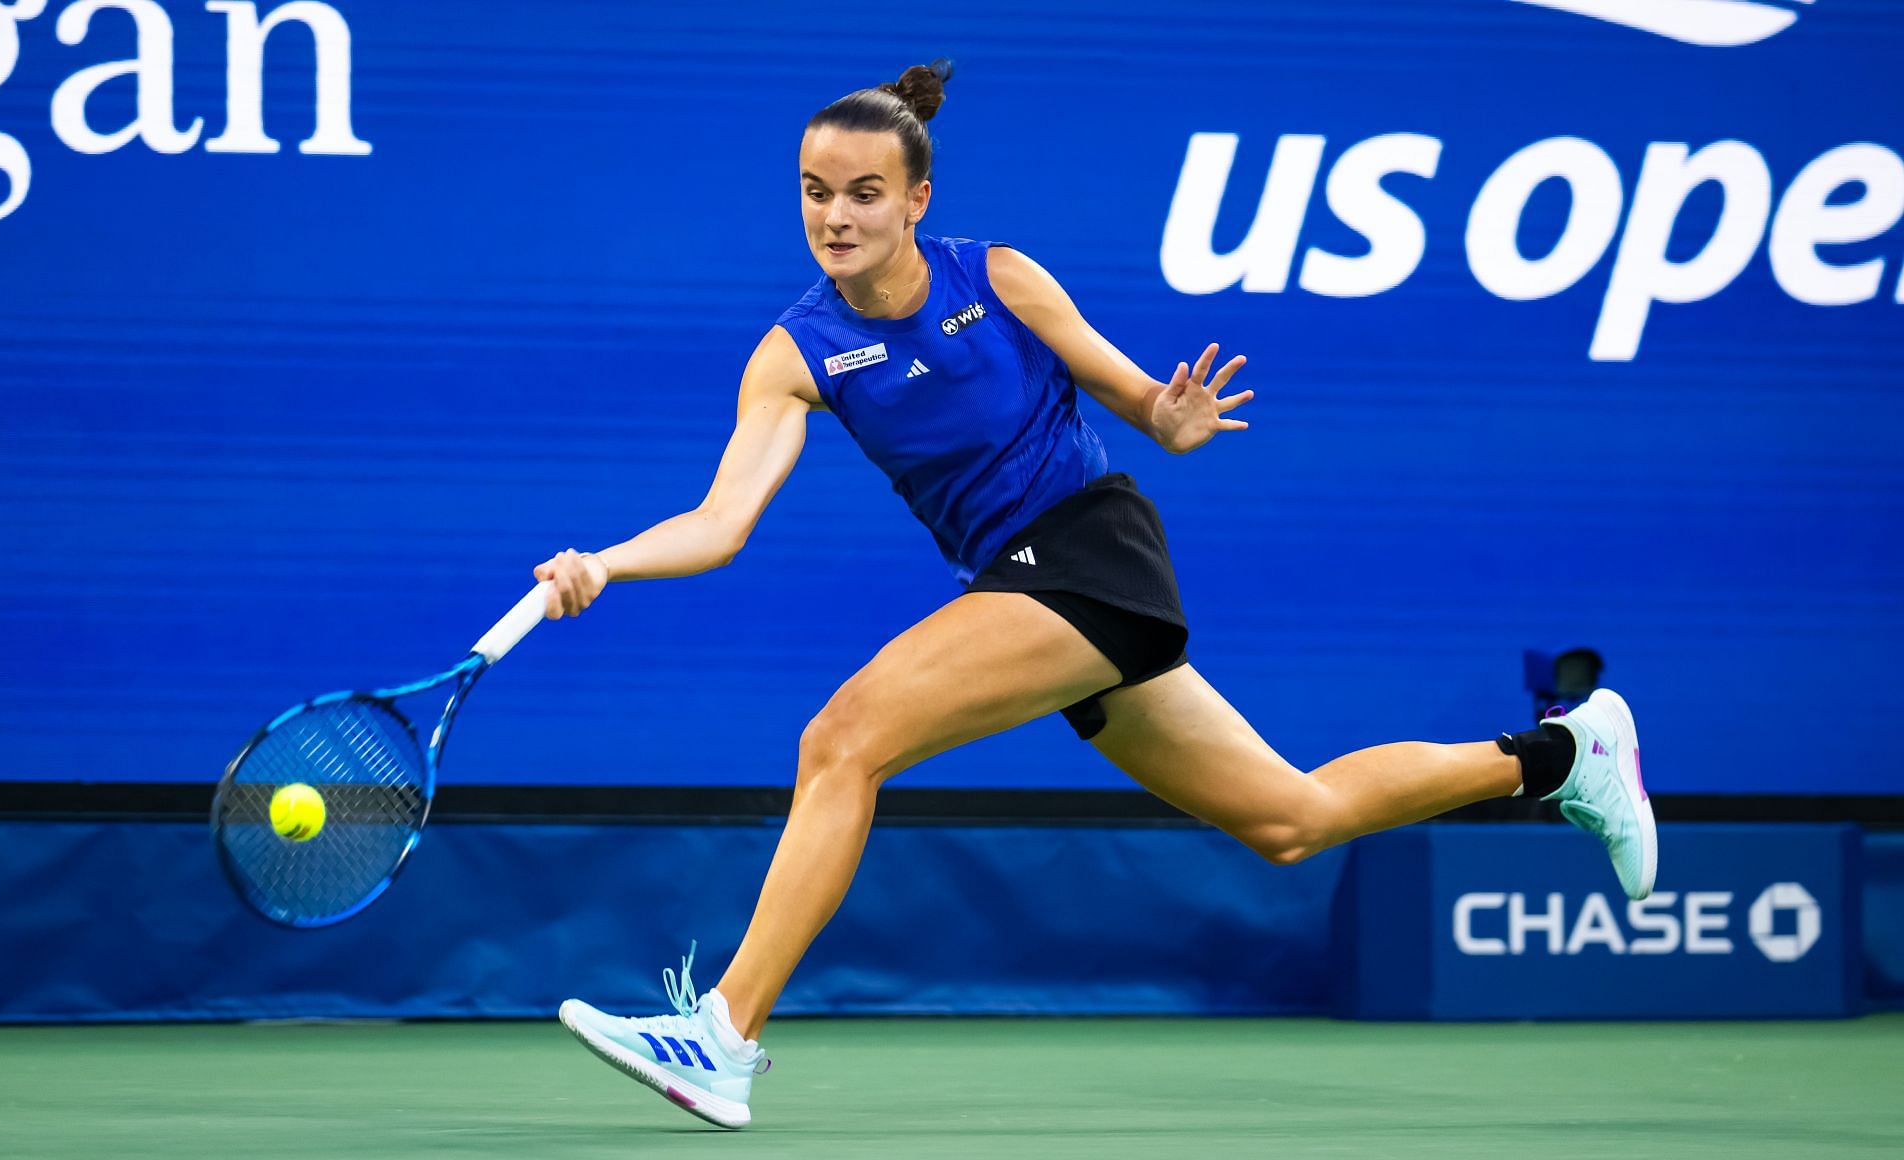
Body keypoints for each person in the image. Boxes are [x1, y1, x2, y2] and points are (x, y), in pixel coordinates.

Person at [543, 60, 1655, 1130]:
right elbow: (721, 521)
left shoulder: (999, 279)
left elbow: (1132, 394)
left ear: (916, 199)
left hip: (1090, 550)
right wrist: (607, 560)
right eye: (816, 192)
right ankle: (1566, 754)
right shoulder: (797, 352)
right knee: (1291, 816)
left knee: (843, 738)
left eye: (865, 194)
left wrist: (1168, 418)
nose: (836, 216)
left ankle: (724, 1032)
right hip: (1026, 588)